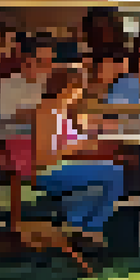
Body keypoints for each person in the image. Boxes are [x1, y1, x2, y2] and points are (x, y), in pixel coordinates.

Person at [21, 69, 126, 248]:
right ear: (68, 88)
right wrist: (79, 146)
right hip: (48, 171)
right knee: (114, 173)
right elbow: (44, 156)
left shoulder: (61, 111)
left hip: (63, 166)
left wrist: (88, 141)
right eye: (79, 87)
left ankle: (77, 226)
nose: (81, 92)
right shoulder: (48, 111)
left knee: (105, 178)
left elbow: (69, 143)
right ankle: (90, 228)